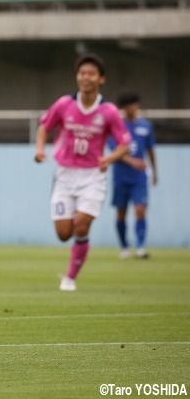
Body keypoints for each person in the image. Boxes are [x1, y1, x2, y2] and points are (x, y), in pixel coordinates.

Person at [34, 54, 131, 292]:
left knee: (81, 226)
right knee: (64, 233)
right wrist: (39, 149)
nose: (85, 77)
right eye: (82, 73)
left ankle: (70, 277)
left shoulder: (108, 111)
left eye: (91, 74)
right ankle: (71, 262)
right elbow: (45, 127)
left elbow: (124, 144)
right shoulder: (64, 105)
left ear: (101, 79)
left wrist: (109, 157)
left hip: (92, 176)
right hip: (65, 174)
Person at [108, 93, 157, 259]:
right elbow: (115, 151)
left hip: (139, 177)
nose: (131, 108)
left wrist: (155, 171)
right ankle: (124, 246)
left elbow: (150, 150)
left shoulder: (146, 126)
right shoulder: (117, 126)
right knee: (121, 213)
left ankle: (141, 247)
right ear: (123, 108)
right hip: (120, 176)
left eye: (134, 104)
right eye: (128, 105)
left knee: (140, 210)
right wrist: (132, 161)